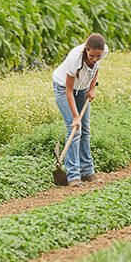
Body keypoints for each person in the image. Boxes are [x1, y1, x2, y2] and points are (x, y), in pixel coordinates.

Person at [52, 33, 106, 185]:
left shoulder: (103, 51)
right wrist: (76, 116)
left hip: (82, 89)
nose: (94, 59)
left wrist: (92, 88)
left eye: (98, 56)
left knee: (86, 129)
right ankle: (73, 175)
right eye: (92, 55)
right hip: (63, 89)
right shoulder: (75, 58)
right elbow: (68, 90)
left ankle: (87, 172)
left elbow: (96, 69)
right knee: (75, 129)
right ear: (86, 49)